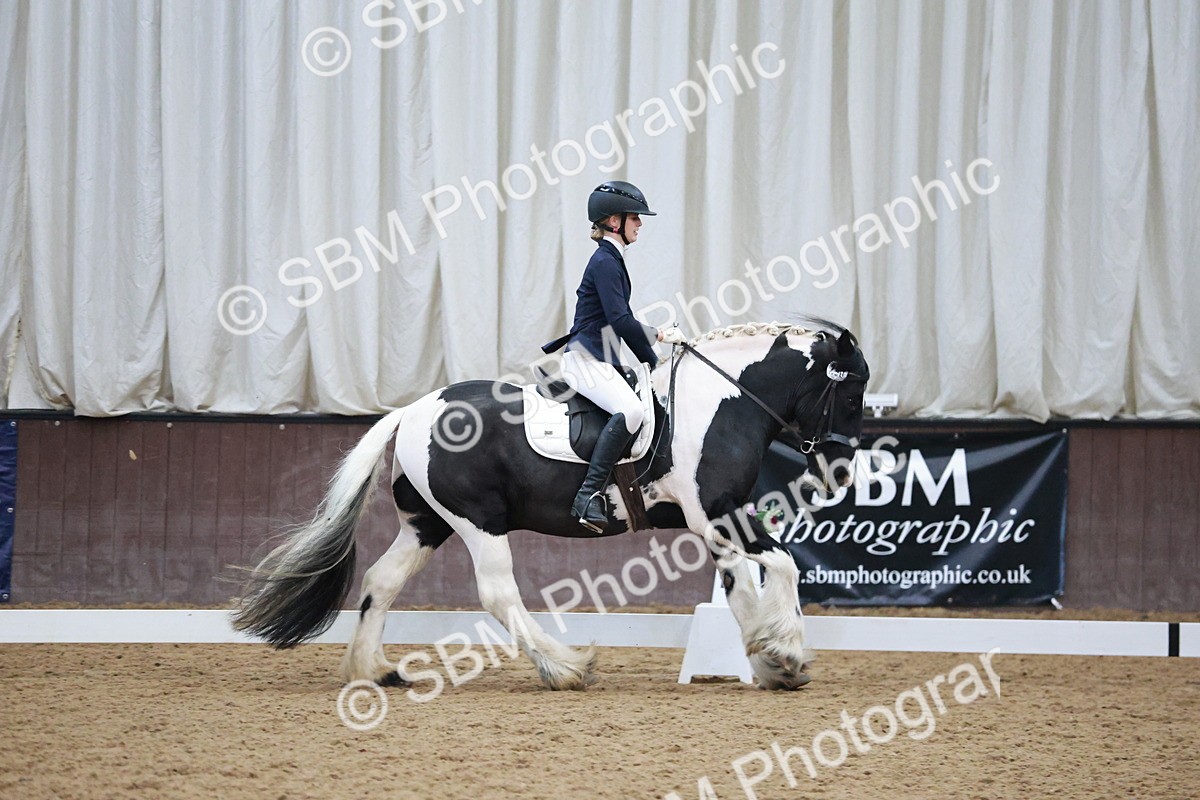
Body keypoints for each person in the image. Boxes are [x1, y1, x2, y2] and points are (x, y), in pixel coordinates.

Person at [541, 181, 686, 533]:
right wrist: (662, 335)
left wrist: (654, 362)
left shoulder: (612, 260)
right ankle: (586, 495)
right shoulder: (605, 262)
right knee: (632, 411)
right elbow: (621, 321)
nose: (641, 224)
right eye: (635, 217)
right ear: (614, 222)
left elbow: (621, 323)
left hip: (600, 358)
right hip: (585, 361)